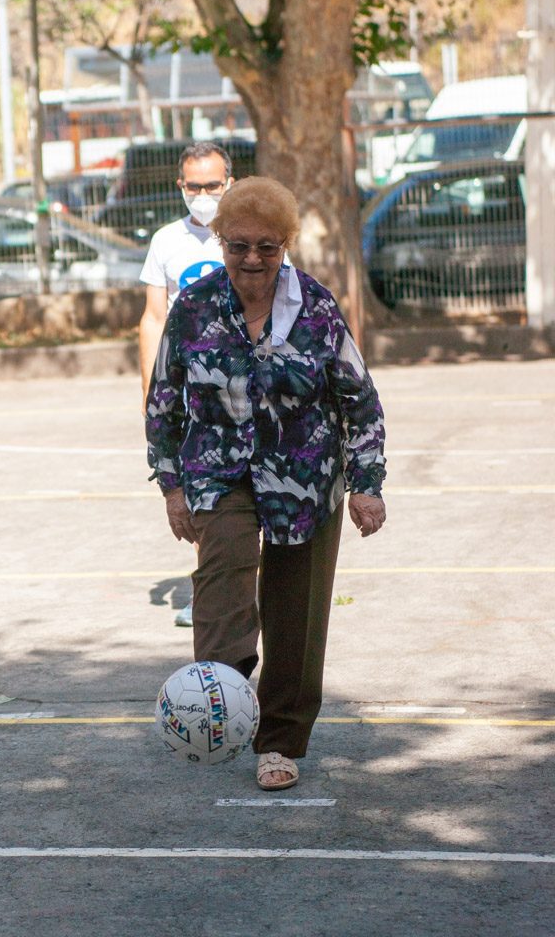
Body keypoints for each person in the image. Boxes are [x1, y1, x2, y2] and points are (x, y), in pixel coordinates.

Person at [145, 176, 386, 790]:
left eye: (267, 247)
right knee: (222, 592)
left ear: (285, 246)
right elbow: (164, 402)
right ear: (220, 242)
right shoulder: (194, 307)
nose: (252, 259)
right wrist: (172, 487)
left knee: (296, 613)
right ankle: (220, 711)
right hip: (219, 474)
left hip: (306, 479)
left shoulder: (317, 307)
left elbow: (358, 397)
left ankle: (280, 741)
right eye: (239, 245)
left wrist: (367, 483)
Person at [138, 141, 234, 627]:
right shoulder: (165, 242)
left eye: (211, 185)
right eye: (193, 186)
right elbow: (154, 319)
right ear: (180, 187)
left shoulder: (245, 235)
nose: (202, 195)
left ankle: (254, 594)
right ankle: (211, 595)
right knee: (201, 494)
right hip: (188, 390)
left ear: (229, 183)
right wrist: (151, 393)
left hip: (242, 390)